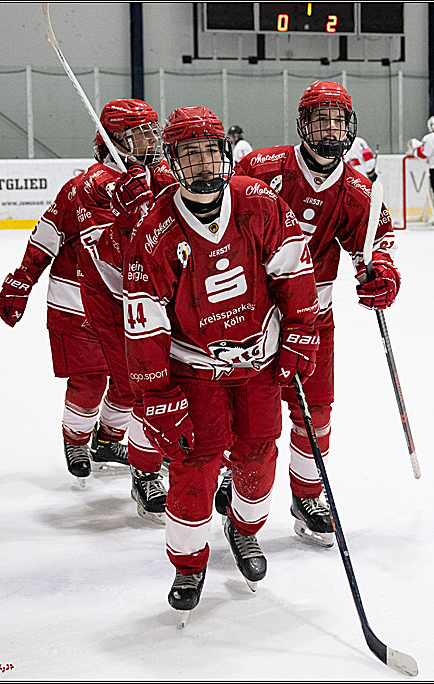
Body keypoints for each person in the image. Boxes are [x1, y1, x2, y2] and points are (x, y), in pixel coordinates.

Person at [123, 105, 320, 620]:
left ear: (225, 154)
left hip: (258, 363)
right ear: (172, 161)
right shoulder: (155, 231)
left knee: (257, 455)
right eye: (191, 154)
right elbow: (144, 324)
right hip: (196, 371)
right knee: (195, 464)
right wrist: (157, 396)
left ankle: (244, 529)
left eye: (211, 152)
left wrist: (301, 332)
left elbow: (293, 272)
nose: (205, 164)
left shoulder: (259, 202)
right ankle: (188, 564)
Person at [233, 81, 399, 548]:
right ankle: (235, 477)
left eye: (339, 119)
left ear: (350, 127)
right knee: (245, 414)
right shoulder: (262, 169)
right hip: (248, 315)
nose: (331, 127)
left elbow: (377, 241)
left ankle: (307, 496)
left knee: (315, 413)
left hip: (313, 316)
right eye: (321, 118)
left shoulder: (356, 189)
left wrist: (380, 272)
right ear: (303, 124)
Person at [73, 99, 177, 521]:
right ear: (116, 139)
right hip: (115, 302)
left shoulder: (156, 172)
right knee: (143, 389)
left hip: (160, 296)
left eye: (154, 130)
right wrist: (133, 213)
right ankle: (143, 473)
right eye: (143, 133)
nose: (153, 139)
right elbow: (105, 252)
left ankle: (136, 443)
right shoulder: (95, 183)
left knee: (175, 383)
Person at [0, 160, 122, 486]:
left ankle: (108, 440)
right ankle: (76, 441)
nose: (145, 143)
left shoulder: (158, 184)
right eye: (133, 135)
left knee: (130, 384)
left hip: (131, 303)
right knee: (90, 380)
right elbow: (44, 238)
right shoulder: (76, 191)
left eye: (148, 135)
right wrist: (20, 282)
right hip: (75, 301)